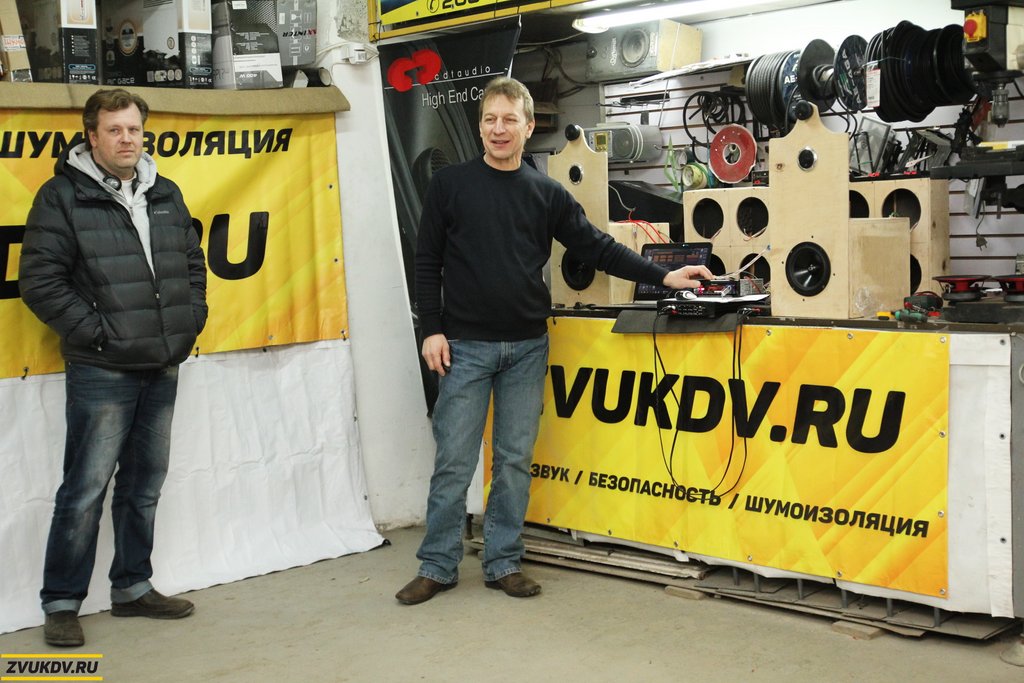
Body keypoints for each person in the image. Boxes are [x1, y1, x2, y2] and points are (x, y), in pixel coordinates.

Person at [396, 76, 712, 605]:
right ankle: (438, 565)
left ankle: (502, 561)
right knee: (454, 462)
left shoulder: (545, 194)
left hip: (526, 347)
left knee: (514, 460)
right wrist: (431, 328)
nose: (499, 129)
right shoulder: (450, 186)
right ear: (480, 126)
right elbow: (426, 261)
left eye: (509, 120)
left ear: (528, 127)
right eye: (490, 120)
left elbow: (598, 247)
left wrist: (665, 276)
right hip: (465, 347)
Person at [18, 88, 208, 646]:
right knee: (85, 488)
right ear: (92, 136)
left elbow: (192, 264)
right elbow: (40, 282)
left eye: (134, 129)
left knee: (144, 484)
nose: (128, 140)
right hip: (102, 369)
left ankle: (131, 587)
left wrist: (190, 319)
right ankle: (61, 602)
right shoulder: (61, 196)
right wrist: (100, 334)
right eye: (115, 130)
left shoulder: (164, 191)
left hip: (162, 362)